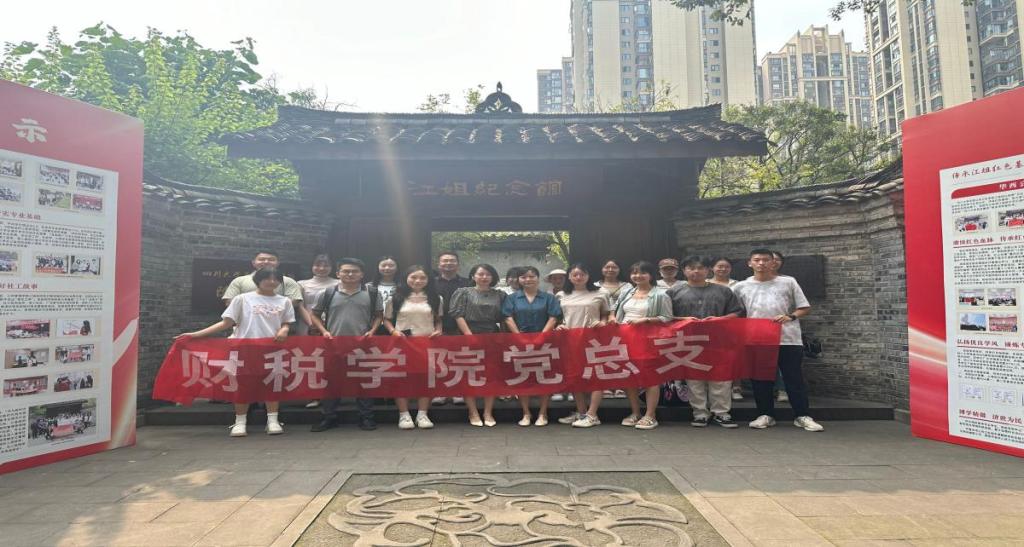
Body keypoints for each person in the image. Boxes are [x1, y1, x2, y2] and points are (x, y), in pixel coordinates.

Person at [178, 268, 294, 437]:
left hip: (272, 348)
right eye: (267, 278)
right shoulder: (242, 299)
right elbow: (226, 323)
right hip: (244, 348)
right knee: (242, 384)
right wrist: (196, 335)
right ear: (258, 280)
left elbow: (287, 322)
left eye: (276, 279)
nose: (272, 281)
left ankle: (272, 420)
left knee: (273, 383)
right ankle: (240, 422)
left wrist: (285, 329)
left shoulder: (284, 301)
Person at [733, 248, 824, 432]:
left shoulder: (788, 282)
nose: (761, 263)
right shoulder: (740, 287)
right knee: (760, 379)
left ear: (773, 262)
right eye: (757, 260)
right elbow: (736, 312)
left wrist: (791, 316)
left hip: (788, 338)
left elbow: (804, 307)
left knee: (793, 377)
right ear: (749, 263)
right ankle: (765, 414)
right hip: (757, 339)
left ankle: (802, 415)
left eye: (765, 259)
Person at [668, 256, 745, 428]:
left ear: (708, 270)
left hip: (718, 340)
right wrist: (683, 319)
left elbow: (737, 312)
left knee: (721, 377)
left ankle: (721, 413)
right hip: (688, 341)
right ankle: (700, 413)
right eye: (691, 268)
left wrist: (720, 319)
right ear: (684, 270)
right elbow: (665, 317)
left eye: (700, 267)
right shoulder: (673, 292)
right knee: (694, 378)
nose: (696, 271)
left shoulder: (723, 291)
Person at [309, 258, 383, 433]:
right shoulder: (327, 292)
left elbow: (379, 315)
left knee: (364, 381)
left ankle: (366, 417)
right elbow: (315, 314)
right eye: (346, 271)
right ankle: (329, 417)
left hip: (362, 344)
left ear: (362, 274)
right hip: (334, 344)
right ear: (338, 273)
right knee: (331, 382)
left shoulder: (372, 292)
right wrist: (323, 331)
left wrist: (372, 331)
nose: (350, 274)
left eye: (355, 271)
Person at [502, 266, 563, 427]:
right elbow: (508, 317)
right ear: (519, 279)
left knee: (544, 377)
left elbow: (553, 317)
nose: (527, 279)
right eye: (523, 277)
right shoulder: (512, 298)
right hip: (519, 343)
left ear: (538, 278)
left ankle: (543, 413)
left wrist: (542, 337)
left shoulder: (548, 298)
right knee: (522, 376)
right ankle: (526, 413)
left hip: (545, 342)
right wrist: (518, 337)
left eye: (531, 276)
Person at [615, 261, 673, 430]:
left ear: (651, 275)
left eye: (642, 272)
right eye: (634, 272)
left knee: (650, 377)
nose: (638, 276)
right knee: (630, 376)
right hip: (625, 339)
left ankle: (650, 414)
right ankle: (635, 412)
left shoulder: (661, 295)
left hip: (648, 340)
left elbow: (667, 318)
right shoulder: (627, 292)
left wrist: (645, 320)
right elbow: (617, 311)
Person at [384, 265, 443, 429]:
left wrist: (439, 330)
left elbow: (438, 319)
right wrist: (393, 331)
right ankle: (404, 415)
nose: (418, 281)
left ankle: (422, 414)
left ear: (428, 280)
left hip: (426, 343)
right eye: (413, 277)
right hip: (402, 343)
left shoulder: (435, 298)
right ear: (406, 278)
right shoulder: (395, 298)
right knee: (401, 378)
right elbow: (386, 319)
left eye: (422, 278)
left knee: (425, 378)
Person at [555, 263, 612, 428]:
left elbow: (606, 313)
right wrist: (559, 325)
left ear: (588, 275)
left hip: (593, 339)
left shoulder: (601, 293)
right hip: (569, 340)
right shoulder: (561, 295)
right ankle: (581, 412)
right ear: (569, 277)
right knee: (575, 375)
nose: (578, 277)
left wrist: (603, 322)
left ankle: (592, 415)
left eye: (582, 274)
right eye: (575, 274)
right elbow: (557, 317)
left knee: (596, 375)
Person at [450, 263, 506, 427]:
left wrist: (502, 337)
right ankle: (473, 412)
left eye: (488, 274)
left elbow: (504, 317)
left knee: (491, 374)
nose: (484, 277)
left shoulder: (500, 294)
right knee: (468, 374)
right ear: (473, 276)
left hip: (492, 335)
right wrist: (469, 335)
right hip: (467, 334)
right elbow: (457, 314)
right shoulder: (463, 292)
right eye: (480, 274)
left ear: (493, 277)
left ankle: (488, 412)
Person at [221, 250, 311, 326]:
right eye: (261, 259)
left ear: (278, 263)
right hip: (245, 324)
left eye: (271, 260)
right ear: (253, 263)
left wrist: (269, 313)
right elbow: (230, 301)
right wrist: (252, 314)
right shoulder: (239, 280)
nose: (266, 262)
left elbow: (294, 301)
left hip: (277, 326)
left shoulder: (288, 281)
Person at [297, 254, 338, 409]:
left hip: (331, 325)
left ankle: (331, 395)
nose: (321, 268)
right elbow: (300, 306)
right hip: (307, 325)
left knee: (330, 361)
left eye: (326, 265)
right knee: (310, 359)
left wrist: (323, 325)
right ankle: (313, 395)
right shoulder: (301, 284)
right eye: (318, 265)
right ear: (312, 266)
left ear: (332, 267)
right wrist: (312, 324)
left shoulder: (339, 283)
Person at [432, 251, 472, 406]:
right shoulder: (431, 283)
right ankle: (440, 392)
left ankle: (458, 391)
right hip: (436, 327)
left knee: (459, 360)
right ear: (439, 264)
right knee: (438, 361)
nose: (448, 263)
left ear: (458, 264)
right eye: (445, 261)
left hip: (461, 327)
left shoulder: (467, 283)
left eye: (452, 261)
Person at [708, 257, 744, 400]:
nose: (723, 269)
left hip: (732, 324)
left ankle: (736, 387)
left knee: (733, 356)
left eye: (726, 266)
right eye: (719, 266)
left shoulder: (738, 284)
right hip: (710, 325)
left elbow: (741, 305)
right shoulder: (705, 283)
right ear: (712, 268)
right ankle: (712, 386)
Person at [594, 259, 629, 399]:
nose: (610, 270)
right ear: (602, 269)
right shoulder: (594, 286)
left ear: (619, 269)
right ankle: (605, 385)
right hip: (600, 324)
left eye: (614, 267)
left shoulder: (627, 286)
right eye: (607, 267)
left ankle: (620, 385)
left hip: (620, 324)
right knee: (602, 354)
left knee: (620, 355)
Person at [366, 256, 399, 335]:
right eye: (383, 265)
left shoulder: (402, 287)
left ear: (397, 267)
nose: (387, 268)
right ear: (378, 267)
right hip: (373, 327)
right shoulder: (369, 287)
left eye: (391, 265)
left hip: (395, 326)